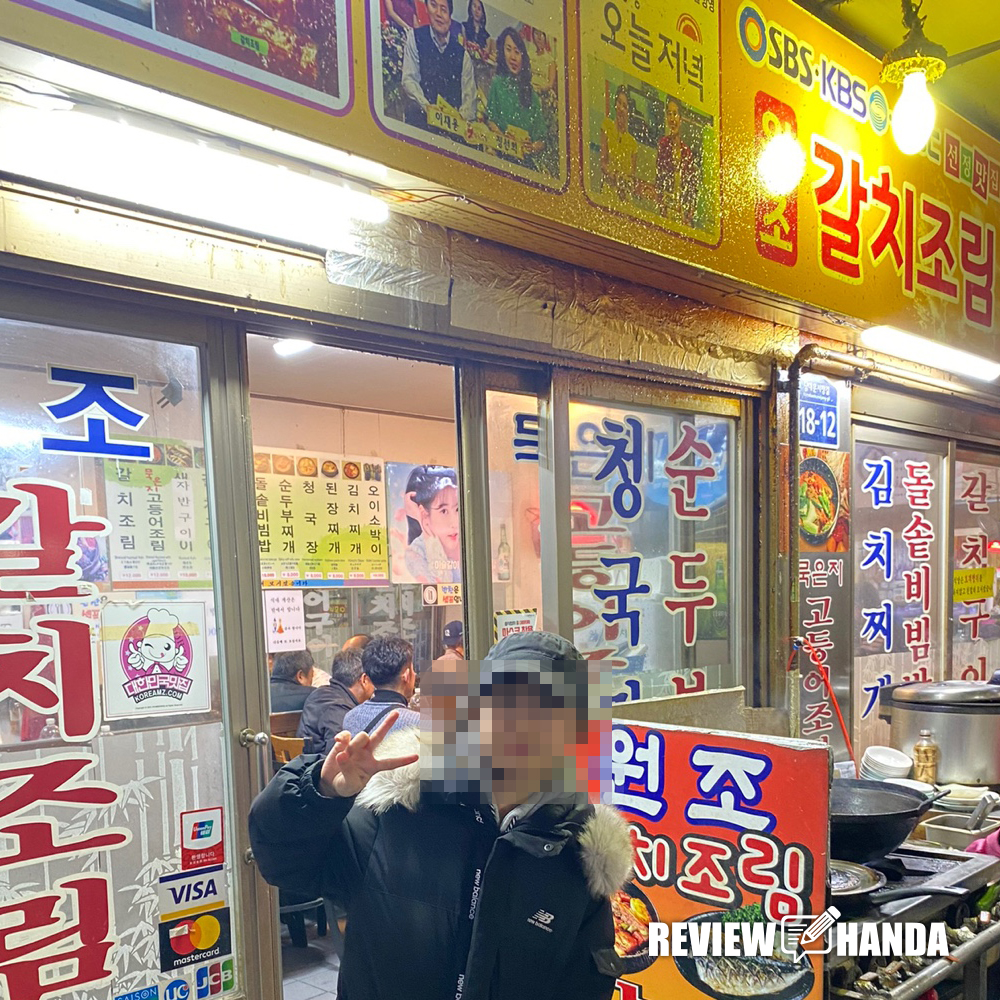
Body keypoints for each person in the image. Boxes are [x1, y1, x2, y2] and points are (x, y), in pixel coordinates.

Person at [249, 630, 633, 999]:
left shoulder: (578, 856)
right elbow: (284, 864)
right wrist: (322, 791)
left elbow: (583, 985)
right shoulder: (397, 807)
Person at [402, 0, 477, 128]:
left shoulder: (462, 55)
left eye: (443, 9)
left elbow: (469, 100)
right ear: (426, 8)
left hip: (453, 129)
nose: (438, 14)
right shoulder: (415, 37)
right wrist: (427, 107)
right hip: (420, 121)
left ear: (450, 17)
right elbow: (409, 80)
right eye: (434, 6)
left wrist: (458, 118)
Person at [486, 28, 547, 167]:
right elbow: (491, 120)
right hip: (500, 155)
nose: (513, 57)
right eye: (508, 50)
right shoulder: (497, 83)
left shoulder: (531, 94)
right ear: (502, 52)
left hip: (525, 162)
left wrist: (532, 146)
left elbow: (542, 139)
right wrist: (504, 139)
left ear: (523, 58)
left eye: (517, 52)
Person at [298, 648, 375, 755]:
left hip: (306, 761)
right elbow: (339, 754)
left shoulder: (318, 694)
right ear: (364, 680)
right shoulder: (338, 708)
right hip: (321, 764)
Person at [341, 636, 419, 737]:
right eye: (412, 669)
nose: (415, 674)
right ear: (406, 675)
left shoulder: (350, 717)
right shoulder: (417, 722)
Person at [404, 465, 461, 583]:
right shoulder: (415, 553)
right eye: (443, 511)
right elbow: (439, 587)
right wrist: (422, 522)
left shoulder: (467, 541)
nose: (454, 523)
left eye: (457, 509)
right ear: (424, 513)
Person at [656, 97, 698, 226]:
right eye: (669, 114)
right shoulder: (663, 144)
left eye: (675, 114)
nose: (672, 119)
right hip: (666, 205)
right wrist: (662, 205)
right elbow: (659, 178)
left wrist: (689, 212)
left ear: (680, 118)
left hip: (681, 209)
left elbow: (691, 185)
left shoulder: (686, 151)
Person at [600, 85, 638, 202]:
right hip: (608, 191)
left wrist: (626, 183)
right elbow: (603, 163)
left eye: (625, 106)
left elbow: (632, 175)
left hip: (625, 197)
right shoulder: (607, 126)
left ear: (629, 112)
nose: (621, 108)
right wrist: (614, 177)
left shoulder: (633, 143)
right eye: (619, 102)